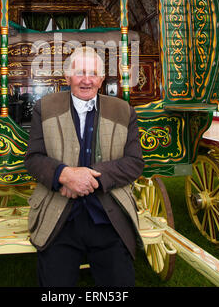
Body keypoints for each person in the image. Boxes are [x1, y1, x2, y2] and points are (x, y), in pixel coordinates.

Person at [24, 46, 144, 287]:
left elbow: (134, 163)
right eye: (80, 73)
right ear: (67, 77)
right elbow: (34, 158)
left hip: (108, 216)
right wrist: (64, 175)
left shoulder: (124, 112)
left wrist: (91, 180)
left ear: (101, 79)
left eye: (93, 74)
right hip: (59, 217)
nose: (86, 80)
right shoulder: (44, 107)